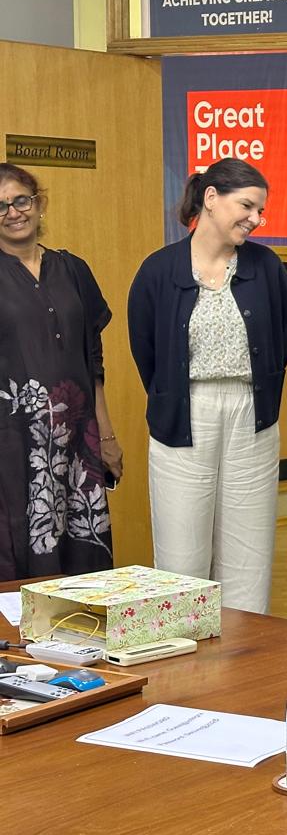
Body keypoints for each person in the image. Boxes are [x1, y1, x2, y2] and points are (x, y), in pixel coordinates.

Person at [128, 158, 287, 612]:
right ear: (210, 198)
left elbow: (284, 339)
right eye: (247, 206)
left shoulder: (266, 266)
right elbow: (146, 350)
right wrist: (172, 396)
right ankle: (184, 651)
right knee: (181, 557)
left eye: (260, 211)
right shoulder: (158, 270)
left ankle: (243, 650)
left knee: (249, 553)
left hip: (251, 415)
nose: (256, 219)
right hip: (184, 415)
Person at [0, 163, 121, 579]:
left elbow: (93, 359)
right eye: (1, 206)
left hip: (78, 440)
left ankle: (81, 622)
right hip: (13, 444)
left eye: (21, 200)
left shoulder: (73, 270)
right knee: (19, 547)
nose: (13, 212)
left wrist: (106, 435)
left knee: (82, 556)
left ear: (39, 204)